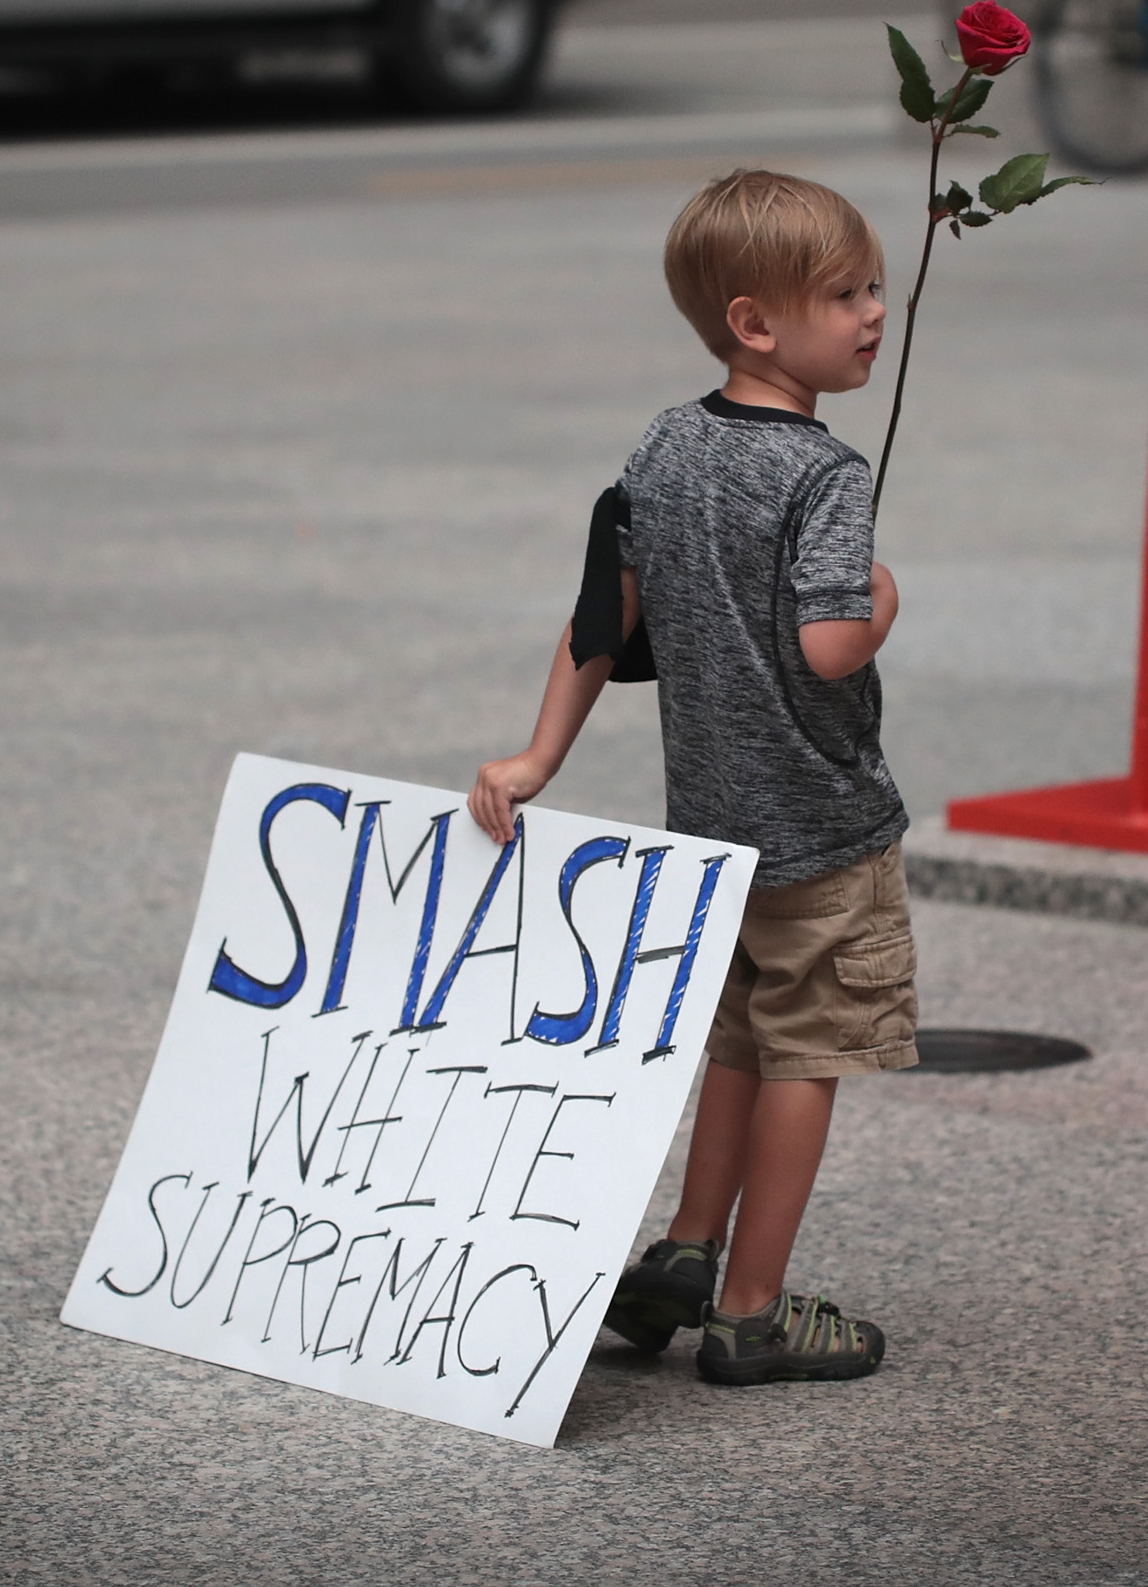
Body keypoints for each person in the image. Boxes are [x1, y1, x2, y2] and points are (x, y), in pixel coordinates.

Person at [467, 167, 913, 1388]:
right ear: (755, 322)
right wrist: (879, 602)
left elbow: (599, 615)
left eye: (876, 284)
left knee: (732, 1039)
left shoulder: (663, 444)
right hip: (825, 829)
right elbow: (828, 647)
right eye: (845, 293)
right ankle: (753, 1311)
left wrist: (538, 753)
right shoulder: (826, 474)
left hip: (714, 829)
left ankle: (683, 1248)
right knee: (805, 1051)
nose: (876, 311)